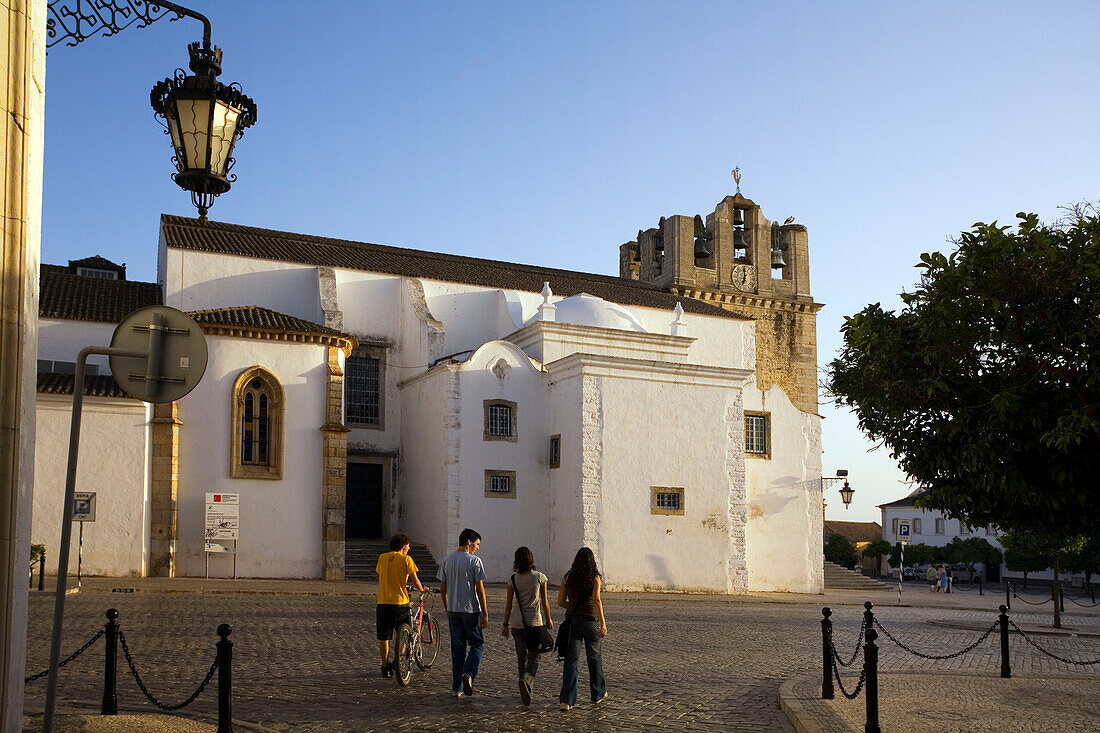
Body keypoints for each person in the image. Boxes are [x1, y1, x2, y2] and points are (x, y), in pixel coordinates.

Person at [437, 528, 488, 697]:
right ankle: (469, 673)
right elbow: (479, 589)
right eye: (477, 544)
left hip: (453, 610)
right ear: (469, 542)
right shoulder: (474, 561)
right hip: (471, 609)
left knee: (457, 648)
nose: (478, 548)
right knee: (477, 644)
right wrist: (485, 612)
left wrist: (446, 606)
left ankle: (456, 687)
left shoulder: (446, 560)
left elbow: (443, 588)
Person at [501, 546, 553, 705]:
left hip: (517, 623)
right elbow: (545, 603)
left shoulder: (513, 579)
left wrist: (505, 624)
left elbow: (509, 604)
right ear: (531, 559)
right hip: (534, 623)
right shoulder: (540, 577)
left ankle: (523, 685)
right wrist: (549, 619)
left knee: (521, 656)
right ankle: (527, 680)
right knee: (534, 656)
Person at [557, 547, 607, 711]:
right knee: (594, 659)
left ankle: (567, 700)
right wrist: (603, 623)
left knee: (571, 661)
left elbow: (560, 601)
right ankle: (597, 694)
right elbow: (597, 600)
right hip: (591, 621)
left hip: (573, 621)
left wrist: (571, 607)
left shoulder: (568, 576)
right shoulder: (595, 577)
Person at [375, 532, 426, 678]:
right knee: (406, 634)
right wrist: (422, 589)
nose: (409, 548)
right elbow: (415, 581)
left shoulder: (382, 558)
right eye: (408, 546)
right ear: (403, 546)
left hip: (383, 602)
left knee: (383, 637)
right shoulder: (406, 559)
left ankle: (385, 667)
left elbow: (382, 573)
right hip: (400, 602)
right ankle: (399, 659)